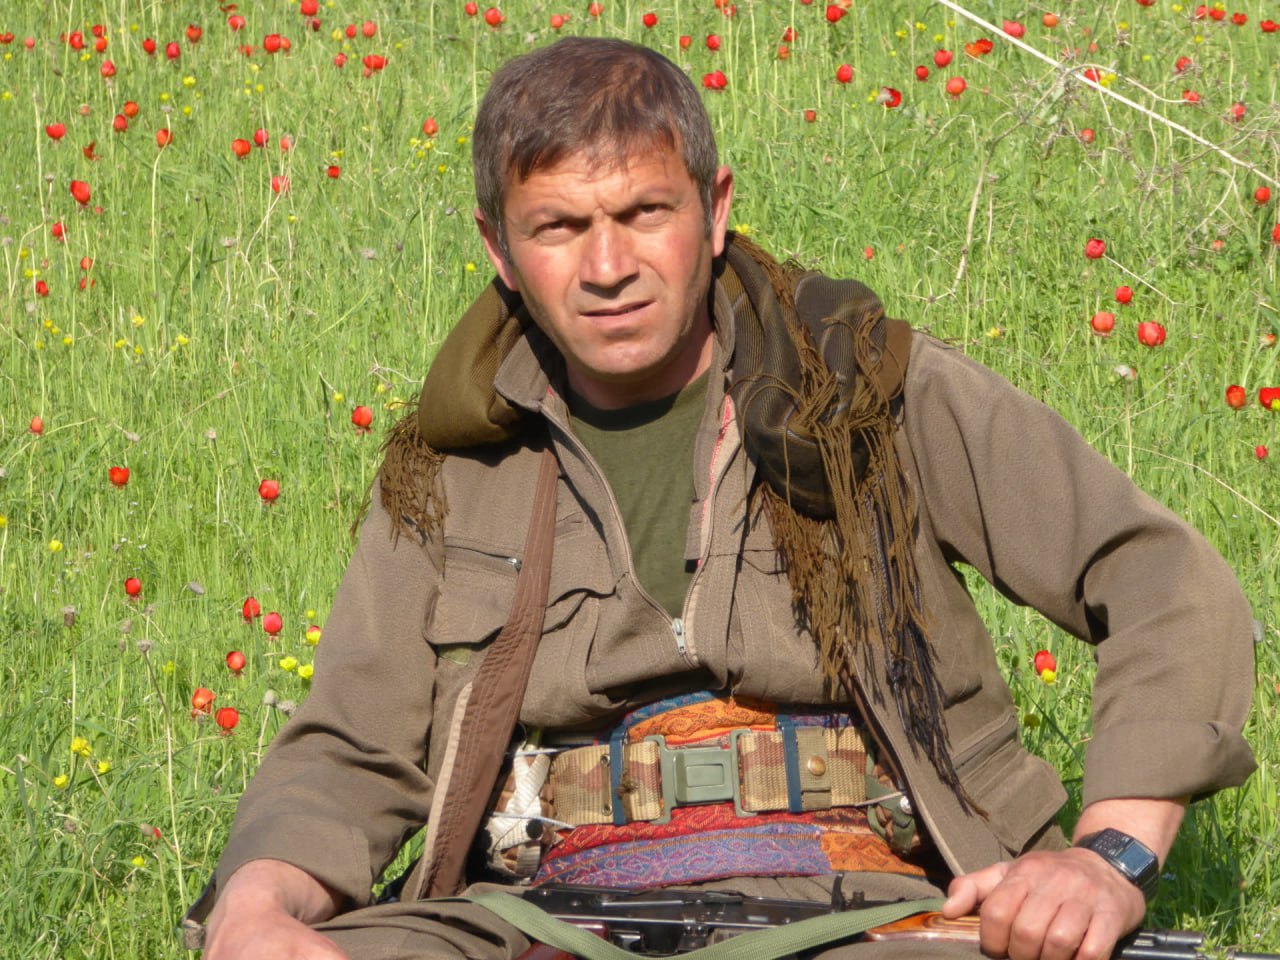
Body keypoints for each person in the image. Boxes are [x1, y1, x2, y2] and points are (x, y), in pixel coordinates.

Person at [196, 36, 1256, 960]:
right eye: (558, 226)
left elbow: (1158, 578)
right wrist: (253, 911)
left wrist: (1106, 858)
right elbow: (350, 749)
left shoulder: (870, 393)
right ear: (499, 250)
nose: (607, 265)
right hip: (544, 916)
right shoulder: (454, 461)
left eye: (643, 212)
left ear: (713, 210)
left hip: (873, 907)